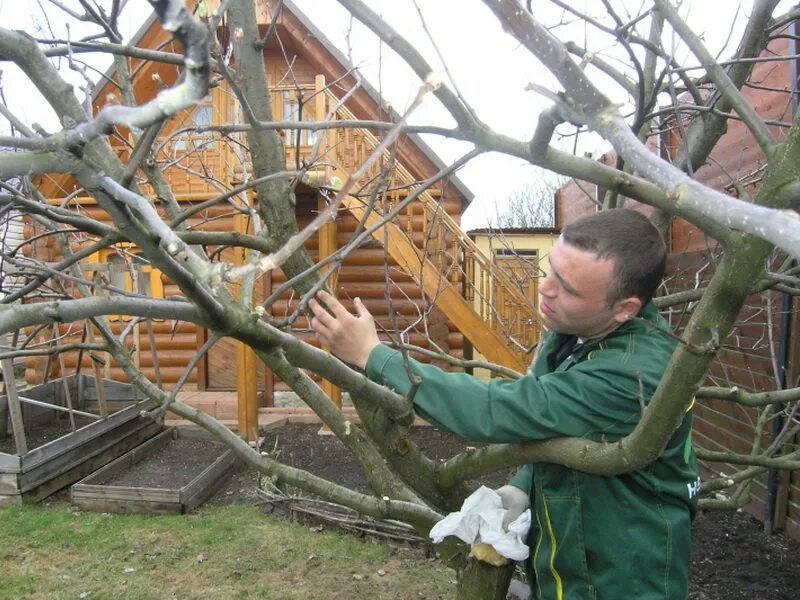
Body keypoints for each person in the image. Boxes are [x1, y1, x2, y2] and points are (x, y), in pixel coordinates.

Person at [309, 209, 699, 600]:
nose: (545, 289)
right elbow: (558, 427)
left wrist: (374, 356)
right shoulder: (576, 333)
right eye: (551, 271)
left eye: (568, 288)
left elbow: (501, 409)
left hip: (622, 581)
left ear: (625, 309)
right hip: (572, 565)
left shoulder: (633, 375)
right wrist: (522, 486)